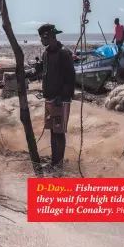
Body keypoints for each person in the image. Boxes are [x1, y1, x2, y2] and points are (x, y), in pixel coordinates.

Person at [36, 23, 76, 177]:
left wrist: (61, 96)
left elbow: (70, 78)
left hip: (61, 100)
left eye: (42, 37)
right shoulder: (46, 54)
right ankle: (54, 161)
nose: (41, 41)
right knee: (52, 130)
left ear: (48, 36)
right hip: (49, 98)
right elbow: (40, 70)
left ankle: (59, 164)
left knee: (59, 132)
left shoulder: (63, 53)